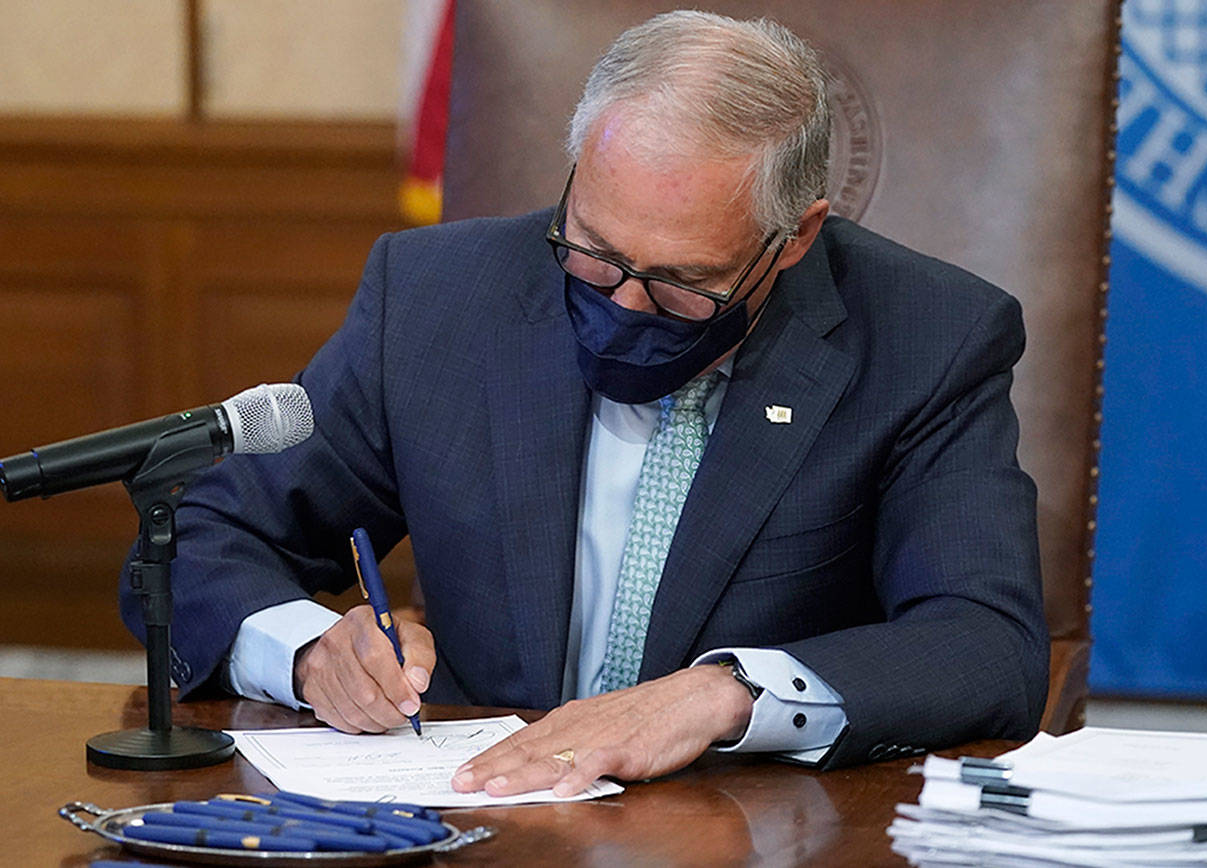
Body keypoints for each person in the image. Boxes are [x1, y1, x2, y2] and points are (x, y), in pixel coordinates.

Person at [120, 10, 1048, 799]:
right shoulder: (441, 298)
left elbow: (984, 642)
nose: (625, 303)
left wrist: (726, 696)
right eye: (595, 254)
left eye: (685, 282)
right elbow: (203, 537)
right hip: (479, 818)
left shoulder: (929, 339)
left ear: (796, 235)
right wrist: (311, 651)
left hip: (747, 828)